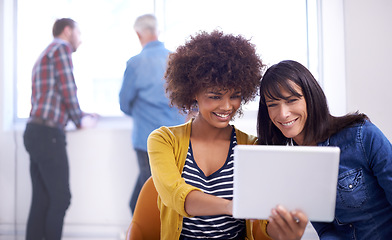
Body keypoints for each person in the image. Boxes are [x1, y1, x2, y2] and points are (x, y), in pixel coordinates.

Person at [147, 30, 308, 240]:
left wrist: (286, 233)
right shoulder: (163, 140)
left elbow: (262, 224)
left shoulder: (252, 147)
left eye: (235, 96)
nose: (226, 106)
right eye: (215, 96)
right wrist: (233, 207)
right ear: (193, 92)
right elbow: (176, 196)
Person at [257, 60, 392, 239]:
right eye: (273, 104)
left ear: (311, 98)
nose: (283, 114)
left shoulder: (362, 135)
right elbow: (326, 230)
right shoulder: (292, 166)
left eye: (292, 100)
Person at [23, 18, 99, 240]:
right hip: (48, 134)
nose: (80, 40)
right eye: (79, 33)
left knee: (42, 198)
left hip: (35, 131)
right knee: (61, 198)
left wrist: (82, 115)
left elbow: (54, 94)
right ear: (67, 31)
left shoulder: (44, 54)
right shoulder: (61, 48)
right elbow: (68, 88)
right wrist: (79, 120)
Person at [119, 13, 186, 214]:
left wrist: (142, 111)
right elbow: (190, 102)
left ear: (139, 35)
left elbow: (124, 104)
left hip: (146, 141)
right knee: (159, 193)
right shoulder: (176, 60)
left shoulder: (136, 64)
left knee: (152, 198)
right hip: (177, 139)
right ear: (158, 31)